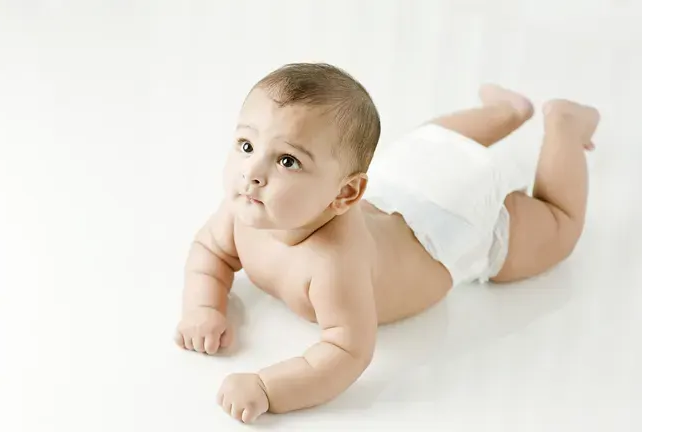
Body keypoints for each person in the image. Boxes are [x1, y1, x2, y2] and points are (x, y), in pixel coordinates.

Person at [174, 63, 601, 423]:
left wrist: (269, 388)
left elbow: (346, 351)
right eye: (247, 145)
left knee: (558, 226)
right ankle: (507, 111)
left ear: (345, 194)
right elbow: (209, 252)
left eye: (288, 161)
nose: (252, 172)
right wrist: (203, 308)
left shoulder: (334, 262)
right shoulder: (245, 209)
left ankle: (563, 126)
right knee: (432, 142)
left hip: (449, 226)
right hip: (406, 176)